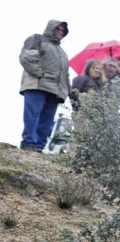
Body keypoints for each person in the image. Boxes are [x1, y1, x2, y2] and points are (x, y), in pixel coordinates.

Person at [19, 19, 70, 151]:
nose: (60, 32)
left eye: (62, 30)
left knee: (47, 120)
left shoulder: (62, 53)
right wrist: (39, 73)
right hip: (37, 85)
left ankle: (38, 146)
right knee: (33, 115)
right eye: (57, 28)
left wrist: (66, 91)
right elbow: (27, 56)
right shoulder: (37, 39)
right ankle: (28, 143)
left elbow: (65, 74)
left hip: (55, 91)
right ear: (50, 28)